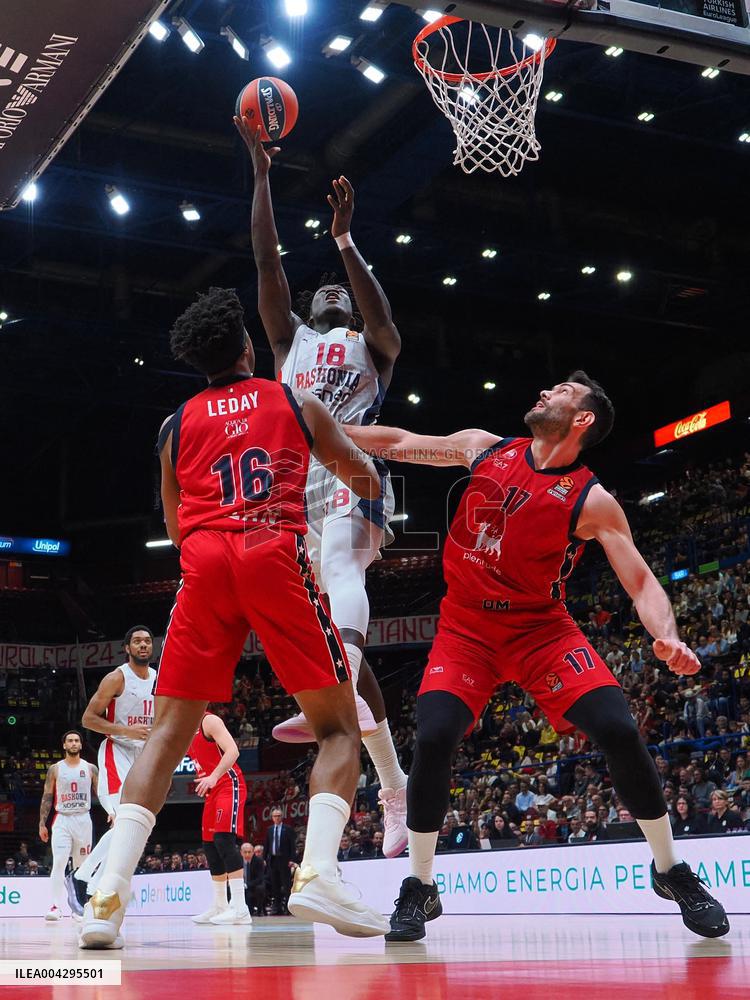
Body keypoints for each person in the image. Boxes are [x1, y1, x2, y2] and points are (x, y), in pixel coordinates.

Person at [344, 371, 729, 941]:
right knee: (433, 735)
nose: (546, 392)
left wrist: (667, 636)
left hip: (540, 630)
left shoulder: (592, 500)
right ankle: (420, 888)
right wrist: (320, 429)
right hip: (467, 625)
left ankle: (671, 871)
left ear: (583, 420)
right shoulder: (485, 448)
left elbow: (643, 582)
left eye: (563, 394)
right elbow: (399, 443)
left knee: (618, 728)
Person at [78, 287, 388, 950]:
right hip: (271, 553)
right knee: (338, 729)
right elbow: (364, 479)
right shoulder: (294, 402)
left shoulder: (174, 425)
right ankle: (320, 875)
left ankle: (105, 901)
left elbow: (174, 523)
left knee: (165, 736)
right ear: (249, 347)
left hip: (205, 565)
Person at [238, 114, 408, 857]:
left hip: (355, 470)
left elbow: (384, 317)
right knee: (330, 641)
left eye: (342, 291)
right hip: (292, 488)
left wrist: (345, 240)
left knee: (341, 562)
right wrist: (261, 176)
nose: (334, 295)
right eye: (327, 292)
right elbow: (268, 268)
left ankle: (335, 690)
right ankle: (394, 786)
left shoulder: (371, 346)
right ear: (310, 313)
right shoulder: (291, 342)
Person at [76, 626, 156, 894]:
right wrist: (125, 731)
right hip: (117, 751)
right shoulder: (117, 677)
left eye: (146, 641)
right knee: (124, 820)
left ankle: (92, 883)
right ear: (127, 648)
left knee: (138, 824)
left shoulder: (159, 679)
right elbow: (88, 719)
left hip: (144, 756)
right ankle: (86, 877)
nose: (143, 645)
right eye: (137, 641)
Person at [188, 711, 250, 925]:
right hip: (212, 790)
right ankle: (220, 905)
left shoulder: (208, 720)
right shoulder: (183, 727)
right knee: (210, 846)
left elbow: (233, 751)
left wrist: (213, 776)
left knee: (224, 840)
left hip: (228, 784)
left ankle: (241, 908)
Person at [39, 731, 100, 922]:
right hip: (62, 819)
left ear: (81, 745)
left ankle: (78, 907)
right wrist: (42, 822)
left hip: (83, 819)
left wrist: (112, 812)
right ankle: (56, 906)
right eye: (70, 741)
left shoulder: (91, 768)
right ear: (64, 745)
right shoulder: (55, 769)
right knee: (59, 863)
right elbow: (47, 796)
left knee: (82, 866)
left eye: (76, 741)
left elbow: (101, 793)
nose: (73, 743)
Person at [264, 807, 296, 915]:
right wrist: (264, 859)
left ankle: (288, 908)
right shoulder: (269, 829)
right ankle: (277, 908)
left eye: (278, 816)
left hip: (284, 860)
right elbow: (267, 845)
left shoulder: (288, 829)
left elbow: (292, 845)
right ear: (272, 818)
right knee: (275, 885)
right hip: (273, 860)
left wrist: (292, 859)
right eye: (274, 816)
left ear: (282, 817)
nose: (276, 818)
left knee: (286, 885)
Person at [247, 844, 268, 916]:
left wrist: (248, 884)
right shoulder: (240, 860)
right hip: (246, 882)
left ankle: (259, 910)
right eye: (245, 852)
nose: (256, 854)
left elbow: (260, 877)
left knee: (260, 888)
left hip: (258, 883)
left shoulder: (260, 861)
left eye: (259, 852)